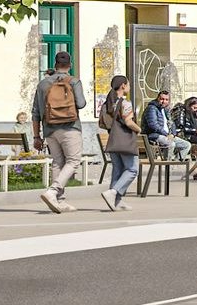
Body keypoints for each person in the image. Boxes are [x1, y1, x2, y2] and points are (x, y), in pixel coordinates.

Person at [29, 54, 92, 212]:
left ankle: (59, 200)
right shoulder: (73, 81)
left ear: (55, 64)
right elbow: (81, 103)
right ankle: (53, 191)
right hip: (70, 127)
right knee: (73, 161)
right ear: (69, 65)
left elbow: (35, 112)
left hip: (50, 129)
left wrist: (37, 136)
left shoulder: (43, 84)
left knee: (58, 161)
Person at [95, 75, 151, 209]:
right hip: (125, 140)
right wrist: (139, 129)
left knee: (118, 169)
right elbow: (128, 122)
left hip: (113, 140)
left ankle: (116, 201)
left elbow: (103, 124)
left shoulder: (106, 105)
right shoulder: (125, 103)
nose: (129, 87)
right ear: (123, 86)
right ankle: (113, 192)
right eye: (129, 84)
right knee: (132, 169)